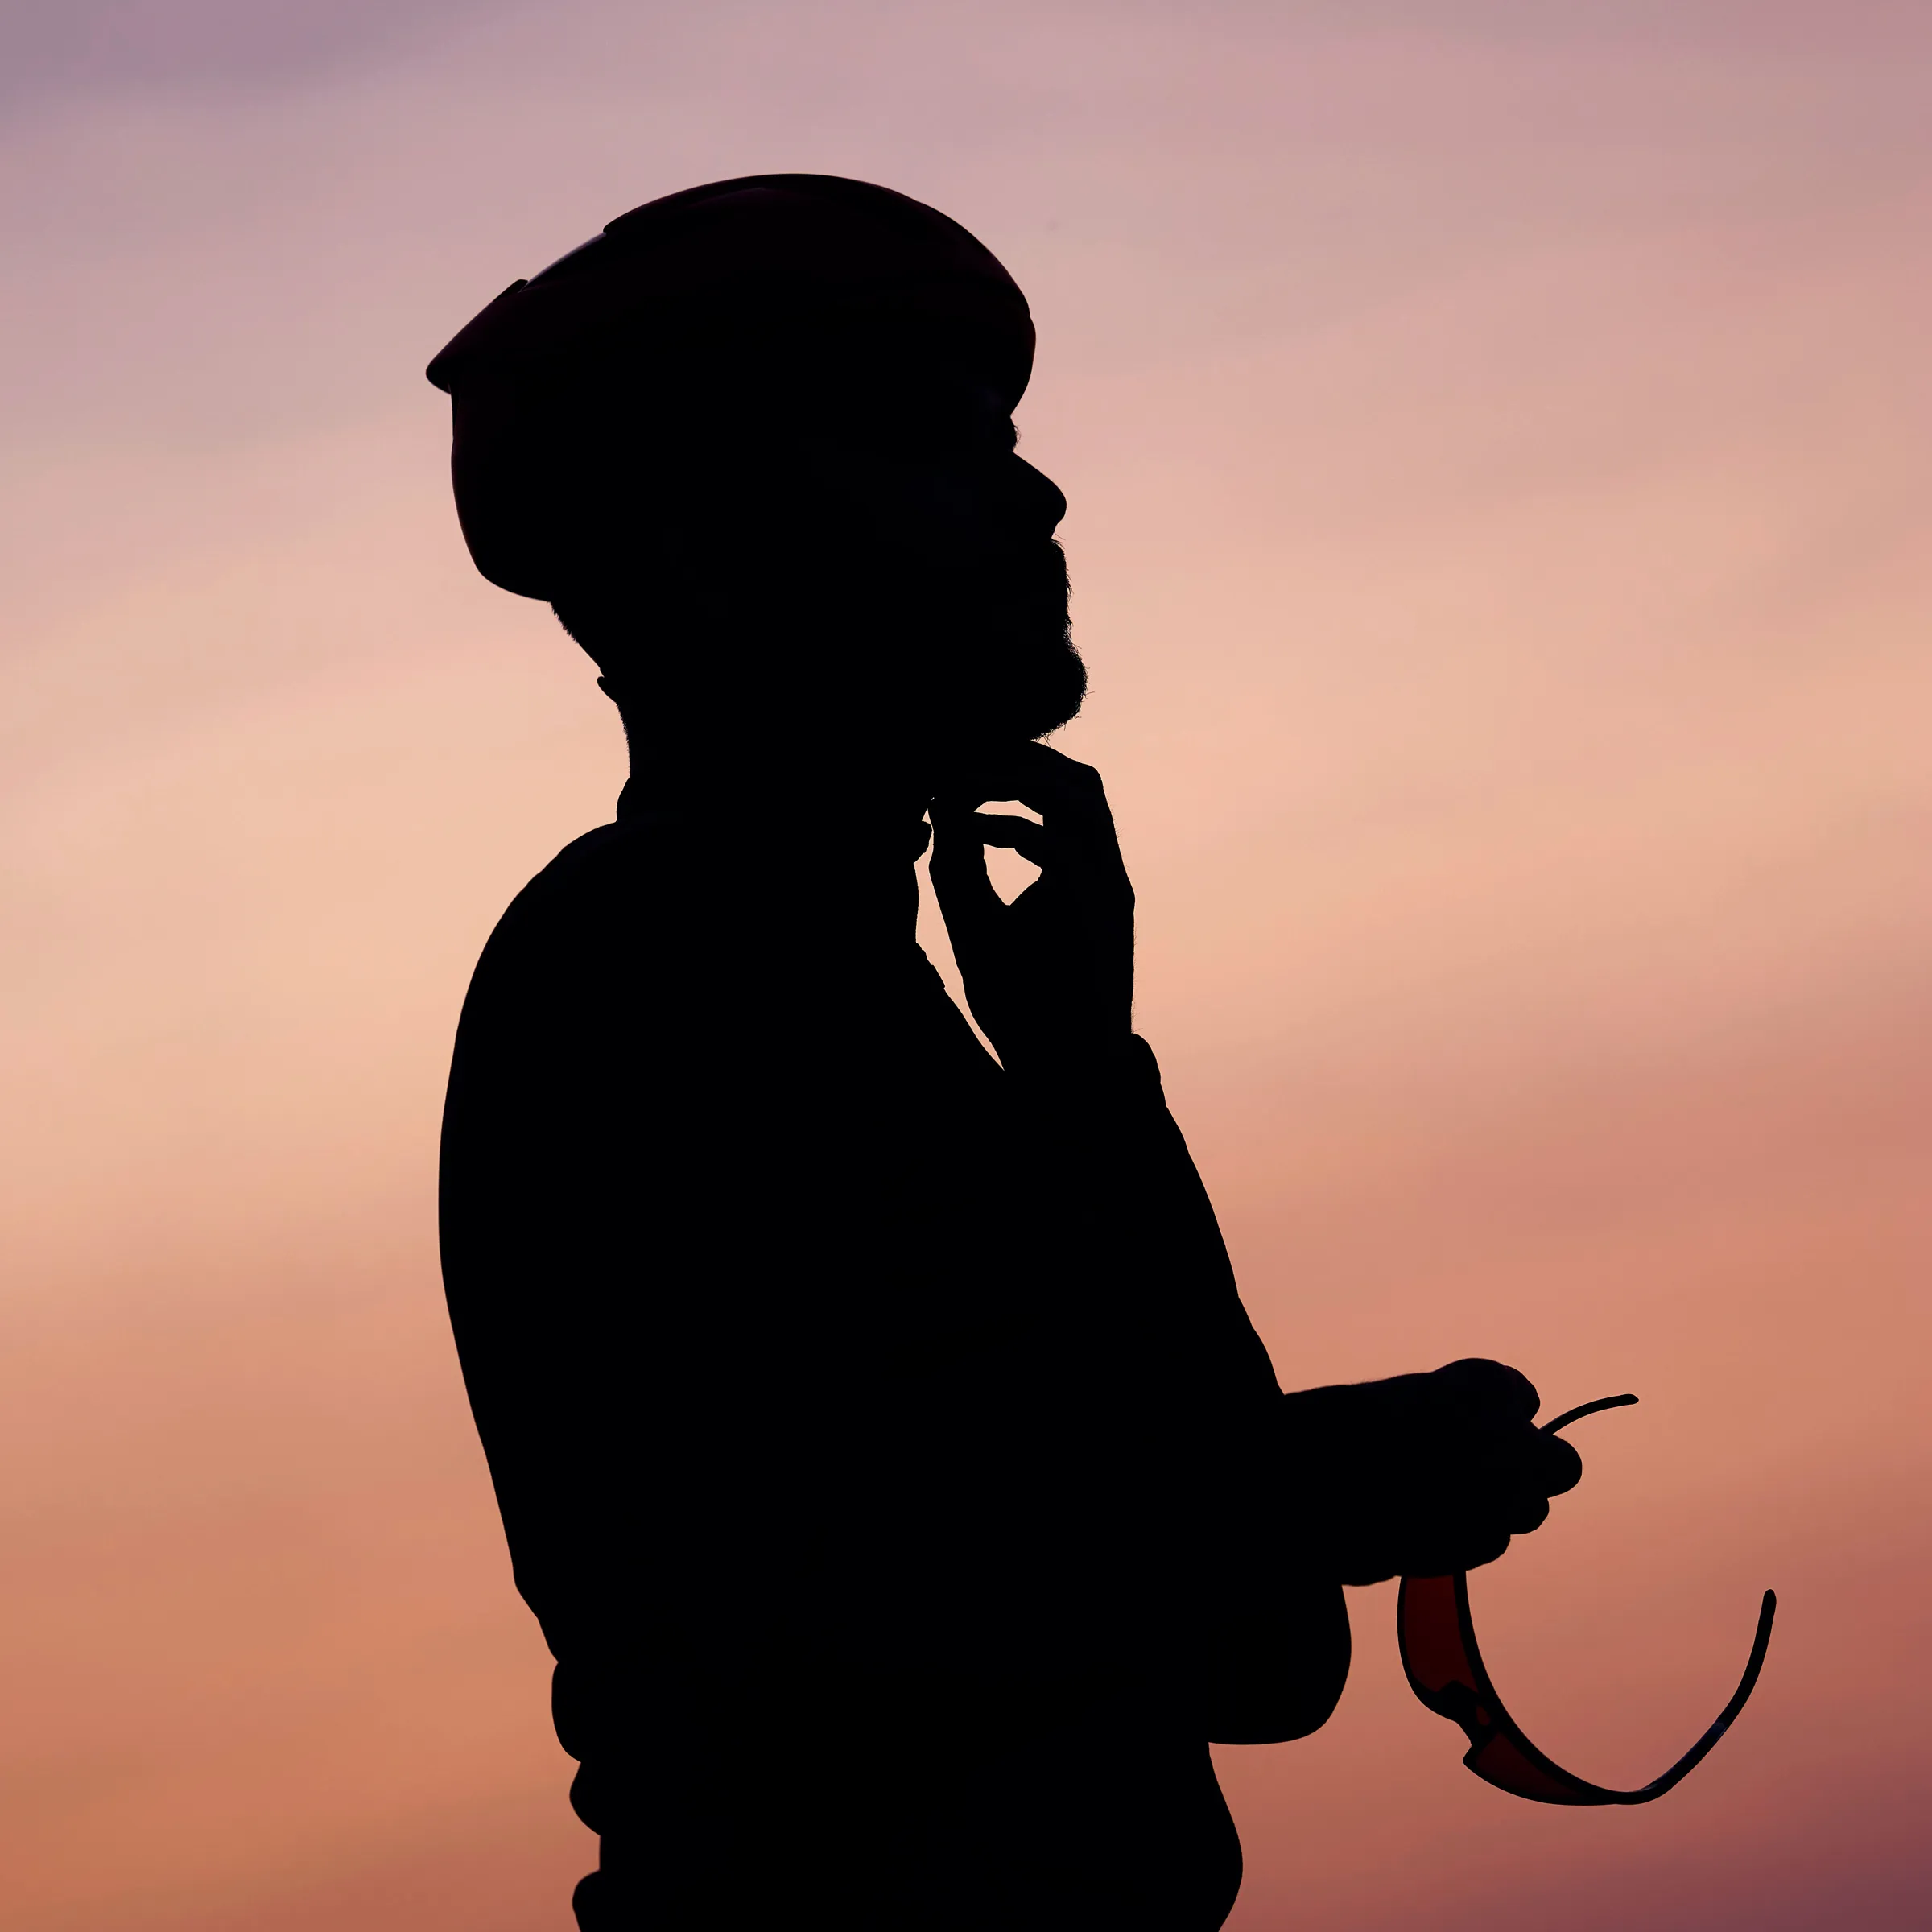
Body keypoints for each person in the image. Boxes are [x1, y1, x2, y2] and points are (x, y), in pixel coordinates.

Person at [429, 174, 1581, 1930]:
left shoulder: (878, 1012)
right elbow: (810, 1625)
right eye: (926, 440)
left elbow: (1255, 1657)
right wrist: (1301, 1483)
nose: (1033, 494)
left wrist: (1087, 1083)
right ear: (701, 548)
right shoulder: (644, 978)